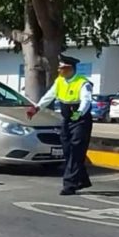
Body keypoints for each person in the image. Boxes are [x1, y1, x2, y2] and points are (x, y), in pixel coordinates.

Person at [28, 55, 93, 195]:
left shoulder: (83, 83)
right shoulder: (59, 81)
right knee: (68, 151)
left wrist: (79, 113)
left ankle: (69, 185)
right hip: (67, 119)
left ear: (70, 69)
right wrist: (37, 108)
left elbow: (86, 100)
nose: (59, 70)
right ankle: (82, 180)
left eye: (61, 68)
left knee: (76, 151)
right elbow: (49, 96)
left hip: (80, 121)